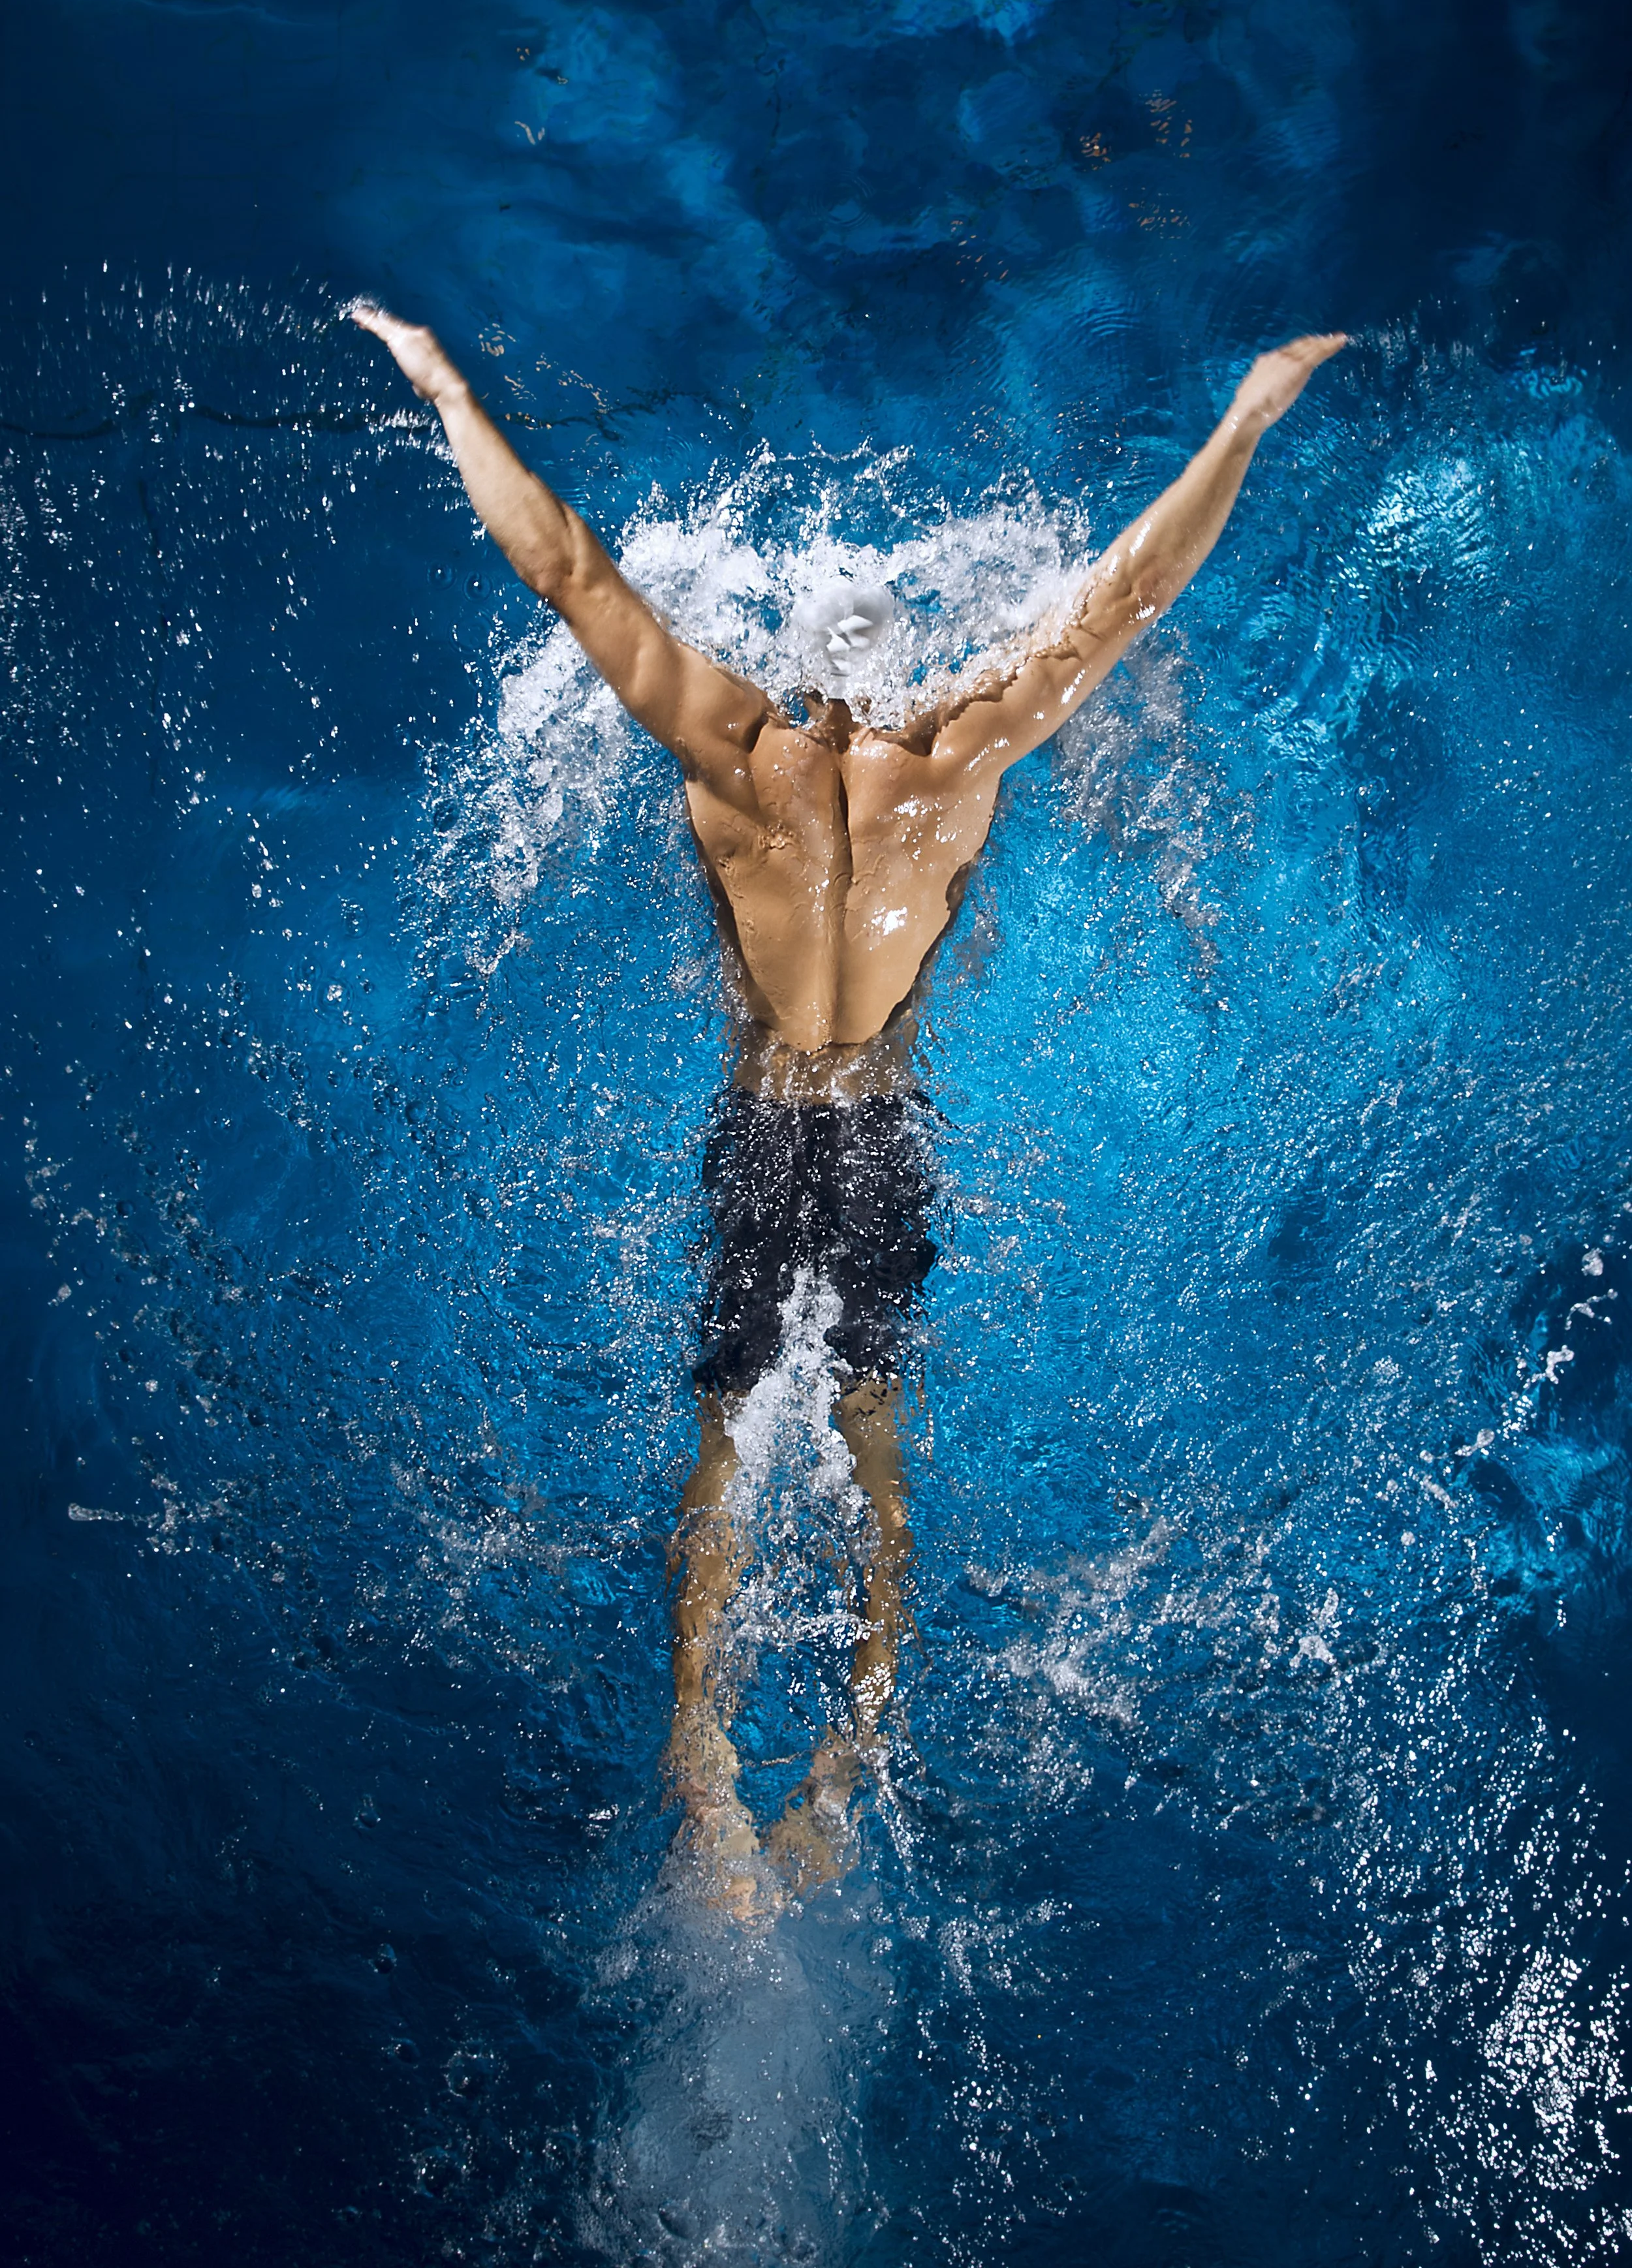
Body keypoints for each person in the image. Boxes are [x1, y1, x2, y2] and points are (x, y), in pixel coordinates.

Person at [354, 302, 1345, 1920]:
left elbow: (573, 576)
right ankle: (851, 1744)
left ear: (799, 670)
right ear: (900, 675)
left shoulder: (729, 745)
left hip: (766, 1125)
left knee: (730, 1435)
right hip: (876, 1134)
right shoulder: (955, 761)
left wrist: (446, 384)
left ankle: (696, 1748)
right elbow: (1124, 598)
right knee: (870, 1439)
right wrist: (1245, 413)